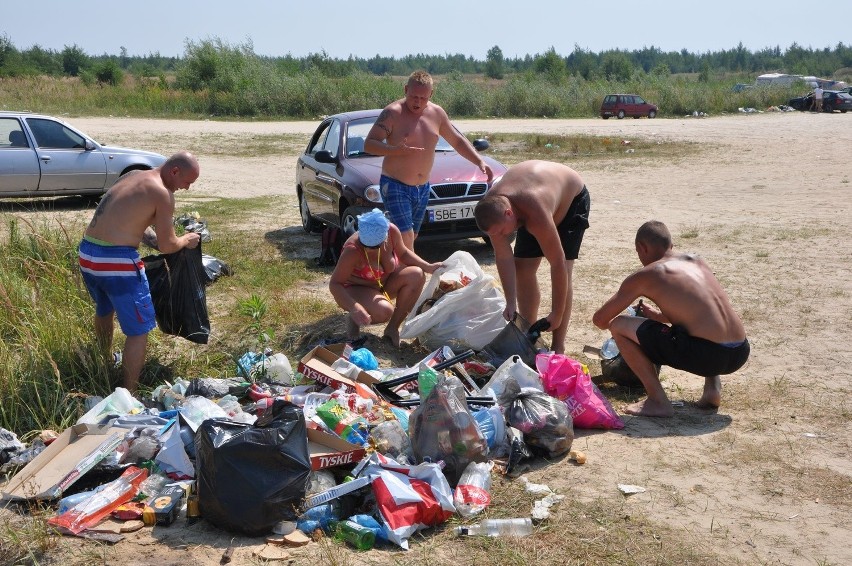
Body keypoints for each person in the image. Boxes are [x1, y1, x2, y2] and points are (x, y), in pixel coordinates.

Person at [592, 221, 750, 417]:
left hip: (707, 356)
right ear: (671, 246)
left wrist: (639, 337)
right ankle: (712, 389)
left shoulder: (650, 273)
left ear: (642, 247)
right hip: (740, 351)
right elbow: (698, 309)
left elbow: (601, 320)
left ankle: (658, 401)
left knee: (619, 324)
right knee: (705, 322)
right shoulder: (697, 261)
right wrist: (658, 317)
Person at [79, 151, 202, 393]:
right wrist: (186, 239)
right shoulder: (163, 194)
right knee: (139, 330)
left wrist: (156, 240)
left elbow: (128, 222)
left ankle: (104, 362)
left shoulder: (133, 175)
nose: (186, 188)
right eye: (187, 182)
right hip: (117, 264)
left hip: (88, 255)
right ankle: (129, 393)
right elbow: (169, 246)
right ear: (174, 171)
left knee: (104, 309)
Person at [364, 70, 493, 250]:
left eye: (423, 98)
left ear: (431, 94)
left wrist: (479, 161)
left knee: (412, 235)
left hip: (423, 187)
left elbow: (456, 140)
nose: (417, 102)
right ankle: (413, 275)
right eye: (413, 96)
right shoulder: (392, 113)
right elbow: (369, 144)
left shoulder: (437, 113)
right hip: (395, 185)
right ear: (405, 89)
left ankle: (391, 268)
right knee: (405, 234)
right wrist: (394, 150)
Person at [474, 160, 590, 355]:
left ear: (509, 213)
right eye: (495, 234)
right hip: (532, 195)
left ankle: (558, 345)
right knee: (523, 268)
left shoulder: (534, 211)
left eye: (502, 231)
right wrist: (511, 302)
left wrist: (556, 313)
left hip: (571, 198)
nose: (501, 236)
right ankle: (529, 335)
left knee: (565, 270)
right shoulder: (494, 210)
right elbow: (503, 257)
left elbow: (557, 263)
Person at [329, 209, 442, 347]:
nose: (369, 250)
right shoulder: (352, 250)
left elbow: (404, 253)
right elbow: (335, 284)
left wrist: (428, 266)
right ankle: (354, 318)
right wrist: (354, 307)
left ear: (385, 238)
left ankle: (392, 328)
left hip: (383, 285)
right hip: (356, 289)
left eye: (375, 246)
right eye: (366, 246)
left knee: (416, 274)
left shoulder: (392, 231)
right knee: (384, 311)